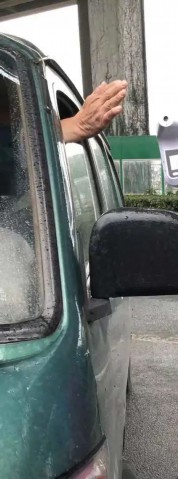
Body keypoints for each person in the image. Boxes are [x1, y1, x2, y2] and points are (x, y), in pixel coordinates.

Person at [0, 79, 127, 324]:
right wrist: (71, 127)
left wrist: (68, 130)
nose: (14, 133)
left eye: (16, 121)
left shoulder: (16, 243)